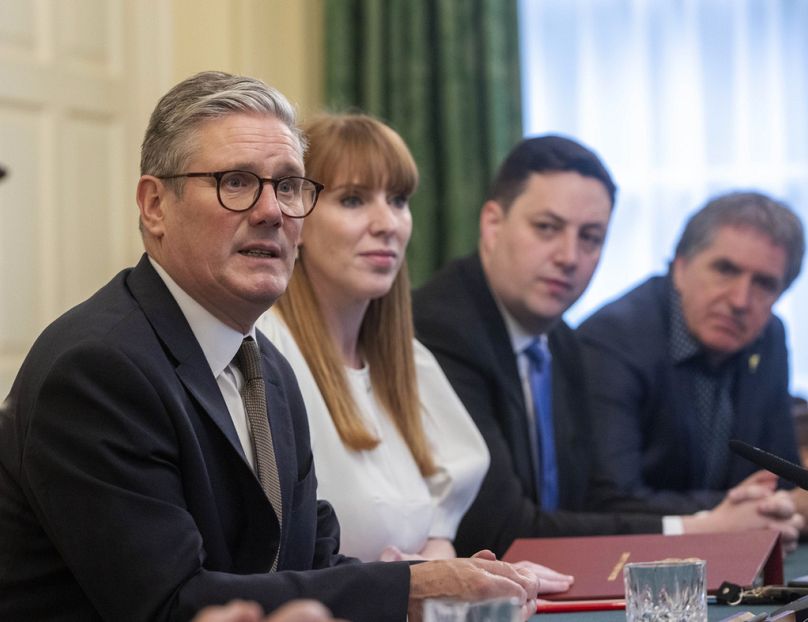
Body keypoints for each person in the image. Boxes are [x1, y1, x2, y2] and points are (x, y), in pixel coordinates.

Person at [0, 71, 542, 622]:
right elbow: (170, 604)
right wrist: (410, 590)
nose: (271, 212)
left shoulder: (267, 366)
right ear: (155, 205)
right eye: (236, 182)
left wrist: (450, 583)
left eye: (288, 186)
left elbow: (313, 561)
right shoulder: (99, 368)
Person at [412, 136, 803, 558]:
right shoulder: (446, 328)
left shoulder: (556, 339)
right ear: (492, 224)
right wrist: (705, 524)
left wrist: (770, 507)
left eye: (591, 238)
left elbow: (574, 503)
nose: (568, 256)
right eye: (547, 228)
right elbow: (506, 528)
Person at [255, 113, 571, 593]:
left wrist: (448, 569)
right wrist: (412, 577)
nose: (387, 224)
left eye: (398, 200)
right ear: (297, 214)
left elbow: (438, 533)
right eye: (354, 200)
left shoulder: (411, 364)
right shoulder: (264, 355)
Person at [577, 191, 806, 516]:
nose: (740, 300)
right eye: (725, 270)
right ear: (680, 268)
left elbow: (783, 476)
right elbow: (612, 500)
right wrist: (746, 512)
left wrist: (785, 503)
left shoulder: (768, 335)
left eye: (764, 284)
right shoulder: (612, 339)